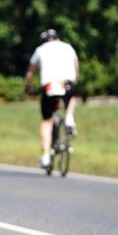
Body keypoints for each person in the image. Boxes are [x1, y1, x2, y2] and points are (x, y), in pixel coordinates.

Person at [23, 29, 79, 169]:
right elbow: (76, 68)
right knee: (72, 97)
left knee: (46, 121)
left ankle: (46, 156)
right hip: (67, 83)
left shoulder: (41, 49)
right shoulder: (68, 47)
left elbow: (30, 72)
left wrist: (28, 87)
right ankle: (69, 117)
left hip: (49, 86)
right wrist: (74, 82)